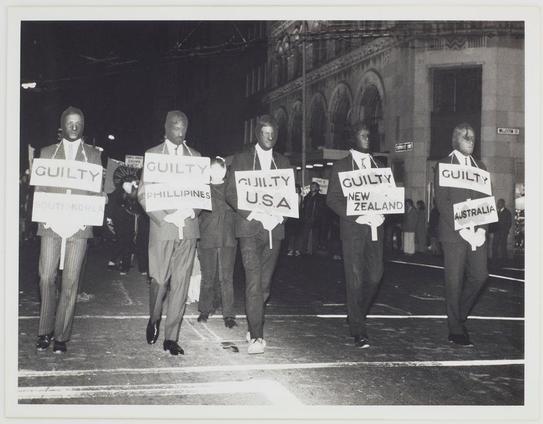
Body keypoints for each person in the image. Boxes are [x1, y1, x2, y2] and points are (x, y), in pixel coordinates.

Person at [35, 106, 104, 354]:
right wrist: (46, 219)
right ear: (62, 125)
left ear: (83, 126)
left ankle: (61, 336)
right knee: (46, 277)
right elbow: (39, 191)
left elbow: (98, 192)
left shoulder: (94, 156)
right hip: (51, 225)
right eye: (69, 123)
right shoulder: (46, 154)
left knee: (71, 281)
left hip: (79, 227)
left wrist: (90, 215)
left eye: (78, 123)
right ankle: (45, 331)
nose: (74, 127)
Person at [225, 114, 291, 354]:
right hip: (250, 229)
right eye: (265, 133)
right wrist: (253, 213)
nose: (269, 137)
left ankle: (254, 319)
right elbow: (231, 193)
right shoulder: (242, 160)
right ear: (257, 134)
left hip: (274, 230)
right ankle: (256, 336)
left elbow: (290, 198)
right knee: (253, 282)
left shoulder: (283, 163)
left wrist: (280, 215)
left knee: (264, 287)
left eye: (273, 134)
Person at [137, 110, 201, 356]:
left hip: (187, 228)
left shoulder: (195, 158)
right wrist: (165, 217)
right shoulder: (153, 156)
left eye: (183, 125)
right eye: (175, 125)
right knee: (160, 280)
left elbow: (201, 194)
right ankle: (154, 318)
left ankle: (171, 337)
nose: (180, 129)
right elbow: (143, 193)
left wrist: (191, 211)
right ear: (166, 128)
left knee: (181, 284)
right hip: (163, 227)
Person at [326, 122, 385, 348]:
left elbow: (387, 199)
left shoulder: (379, 167)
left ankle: (356, 312)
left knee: (375, 276)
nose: (367, 139)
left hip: (374, 230)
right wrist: (356, 216)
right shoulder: (341, 166)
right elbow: (332, 199)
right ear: (353, 139)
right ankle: (358, 329)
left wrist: (383, 214)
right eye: (363, 135)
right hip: (353, 230)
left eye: (369, 135)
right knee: (355, 279)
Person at [434, 122, 489, 346]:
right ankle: (455, 328)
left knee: (480, 276)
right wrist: (462, 228)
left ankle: (460, 314)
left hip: (477, 231)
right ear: (456, 140)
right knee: (454, 281)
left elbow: (487, 200)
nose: (470, 140)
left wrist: (483, 230)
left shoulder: (481, 167)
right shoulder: (444, 165)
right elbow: (442, 201)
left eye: (473, 137)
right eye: (466, 137)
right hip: (454, 233)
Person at [197, 157, 238, 328]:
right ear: (208, 171)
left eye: (219, 170)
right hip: (207, 238)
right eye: (212, 170)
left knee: (226, 278)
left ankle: (228, 315)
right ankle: (204, 310)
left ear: (224, 171)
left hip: (227, 239)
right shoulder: (201, 189)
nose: (216, 173)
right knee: (207, 278)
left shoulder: (233, 189)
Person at [105, 165, 144, 275]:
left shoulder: (116, 192)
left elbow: (111, 207)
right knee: (126, 242)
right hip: (127, 220)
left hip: (119, 220)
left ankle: (116, 262)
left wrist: (109, 221)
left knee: (122, 241)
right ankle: (124, 266)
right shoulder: (131, 190)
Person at [299, 182, 326, 255]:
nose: (311, 187)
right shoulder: (307, 197)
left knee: (315, 235)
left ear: (317, 188)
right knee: (305, 234)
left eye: (313, 186)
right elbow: (304, 207)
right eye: (311, 186)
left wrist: (319, 218)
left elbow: (322, 209)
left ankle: (313, 251)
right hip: (307, 218)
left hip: (316, 219)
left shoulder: (321, 198)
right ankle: (304, 250)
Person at [491, 198, 512, 266]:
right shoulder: (496, 212)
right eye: (497, 203)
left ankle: (504, 261)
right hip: (496, 232)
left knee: (503, 247)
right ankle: (494, 261)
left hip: (503, 233)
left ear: (503, 204)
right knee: (494, 247)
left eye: (499, 203)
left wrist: (505, 231)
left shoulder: (507, 212)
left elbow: (509, 223)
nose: (497, 204)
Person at [286, 184, 303, 256]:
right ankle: (291, 249)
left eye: (297, 189)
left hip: (299, 218)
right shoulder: (290, 197)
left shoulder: (301, 197)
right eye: (295, 189)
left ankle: (297, 250)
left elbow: (302, 207)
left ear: (299, 189)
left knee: (298, 234)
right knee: (291, 234)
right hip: (291, 218)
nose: (296, 190)